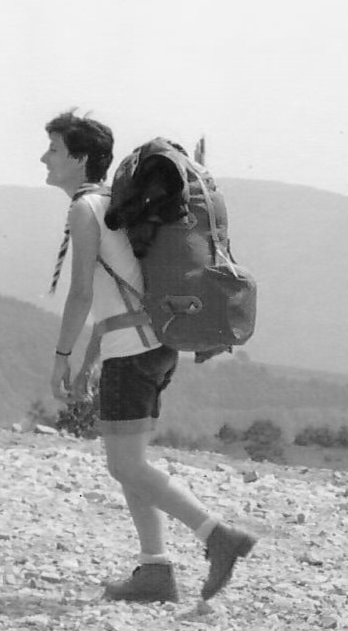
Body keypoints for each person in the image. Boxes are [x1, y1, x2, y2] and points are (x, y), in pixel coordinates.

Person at [41, 111, 257, 604]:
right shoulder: (112, 204)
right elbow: (119, 291)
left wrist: (62, 357)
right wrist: (92, 360)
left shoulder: (85, 210)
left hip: (132, 351)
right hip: (152, 344)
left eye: (53, 149)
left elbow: (81, 294)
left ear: (79, 158)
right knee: (129, 464)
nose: (44, 158)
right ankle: (155, 570)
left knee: (126, 465)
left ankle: (217, 536)